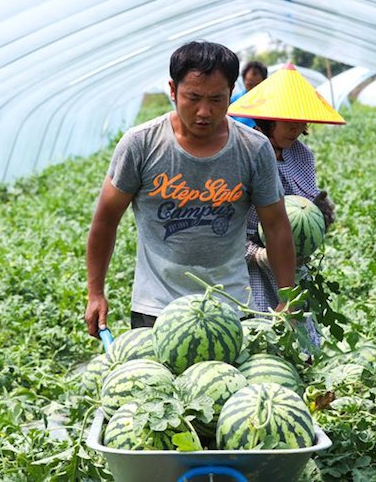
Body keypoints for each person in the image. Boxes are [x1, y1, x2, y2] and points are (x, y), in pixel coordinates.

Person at [84, 42, 296, 337]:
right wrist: (95, 293)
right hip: (156, 308)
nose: (204, 112)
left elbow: (276, 226)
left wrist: (287, 299)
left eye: (217, 99)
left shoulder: (254, 148)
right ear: (173, 90)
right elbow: (106, 219)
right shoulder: (141, 144)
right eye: (193, 98)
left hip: (231, 305)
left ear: (231, 92)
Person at [227, 63, 342, 321]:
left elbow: (305, 201)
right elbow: (228, 220)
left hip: (292, 262)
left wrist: (318, 213)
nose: (295, 128)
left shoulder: (302, 154)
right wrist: (258, 254)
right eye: (288, 121)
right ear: (268, 119)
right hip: (248, 264)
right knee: (260, 325)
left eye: (300, 122)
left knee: (295, 326)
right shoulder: (245, 153)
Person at [229, 61, 268, 128]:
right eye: (249, 85)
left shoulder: (271, 100)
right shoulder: (233, 101)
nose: (253, 89)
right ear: (244, 82)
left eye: (257, 85)